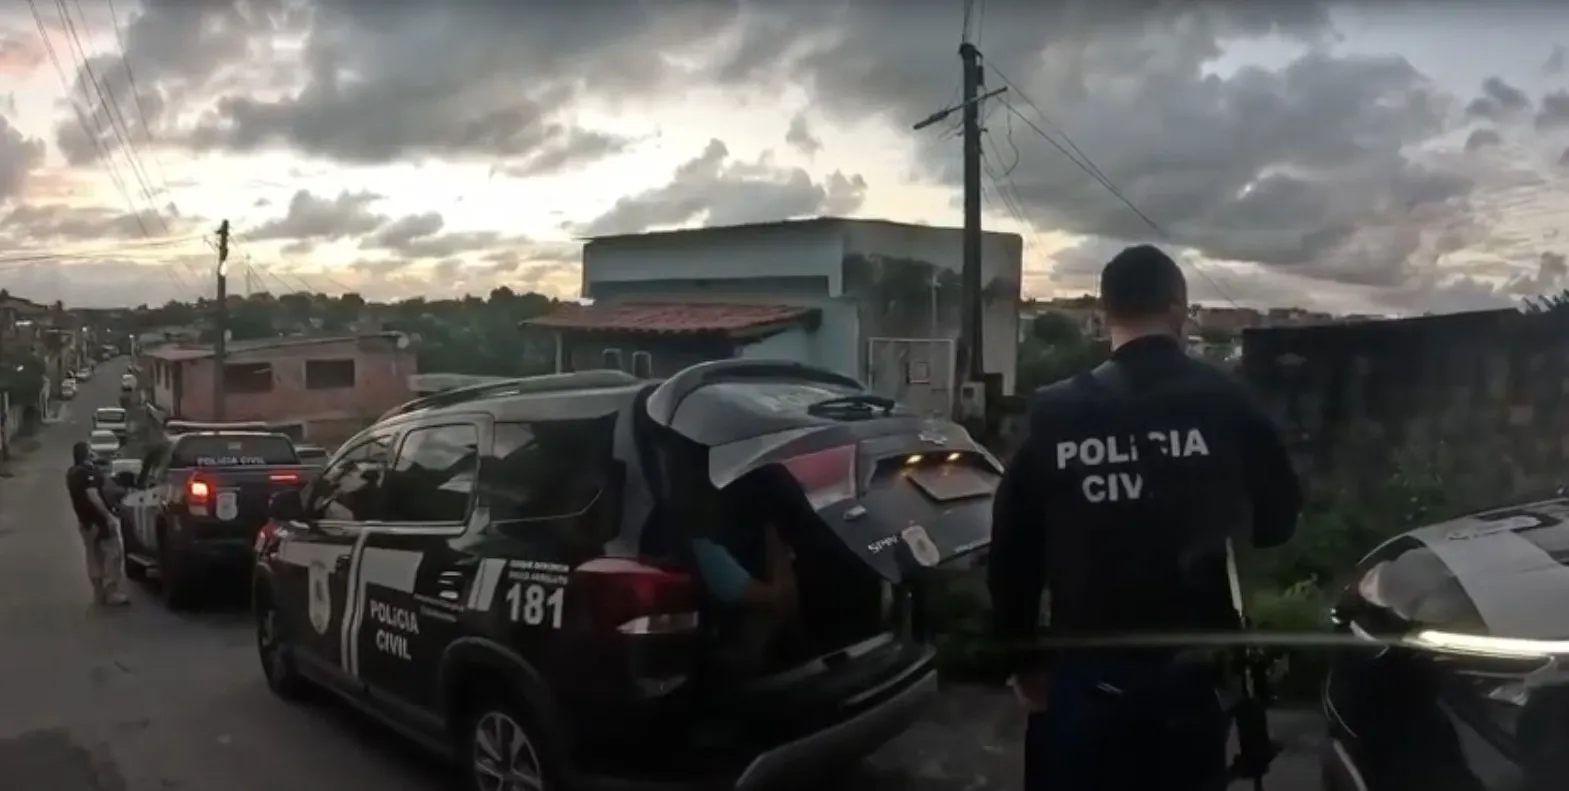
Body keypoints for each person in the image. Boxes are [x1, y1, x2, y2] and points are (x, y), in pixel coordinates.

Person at [987, 245, 1301, 791]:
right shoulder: (1227, 401)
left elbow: (1012, 549)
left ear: (1108, 313)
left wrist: (1021, 658)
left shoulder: (1055, 412)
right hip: (1189, 687)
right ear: (1179, 308)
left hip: (1084, 682)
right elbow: (1279, 522)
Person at [67, 441, 130, 606]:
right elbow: (92, 494)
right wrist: (108, 517)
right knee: (112, 554)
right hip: (98, 521)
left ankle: (98, 593)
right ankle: (111, 592)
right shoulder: (88, 473)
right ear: (87, 454)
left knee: (93, 556)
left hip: (85, 523)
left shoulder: (71, 473)